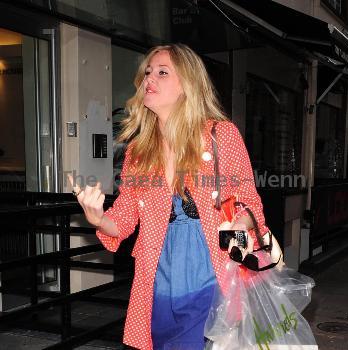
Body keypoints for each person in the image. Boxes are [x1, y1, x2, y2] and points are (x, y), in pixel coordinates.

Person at [69, 44, 282, 350]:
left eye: (162, 72)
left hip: (211, 280)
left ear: (187, 85)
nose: (149, 79)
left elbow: (251, 204)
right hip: (158, 284)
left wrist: (235, 221)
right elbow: (123, 221)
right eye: (147, 72)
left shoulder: (221, 136)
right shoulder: (138, 154)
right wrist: (97, 217)